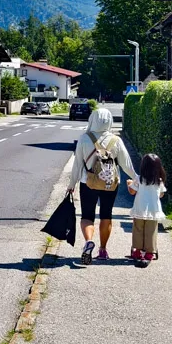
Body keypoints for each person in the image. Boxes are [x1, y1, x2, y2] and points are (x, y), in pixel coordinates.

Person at [66, 107, 137, 265]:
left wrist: (71, 184)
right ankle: (103, 250)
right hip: (110, 184)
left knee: (87, 216)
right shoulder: (116, 140)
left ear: (92, 120)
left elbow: (77, 165)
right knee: (106, 215)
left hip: (88, 183)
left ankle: (88, 242)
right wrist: (137, 178)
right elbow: (126, 164)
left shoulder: (84, 139)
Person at [127, 153, 167, 268]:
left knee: (138, 229)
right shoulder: (159, 181)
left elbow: (132, 192)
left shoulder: (139, 179)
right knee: (151, 231)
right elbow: (161, 195)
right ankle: (149, 253)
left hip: (140, 209)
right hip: (153, 210)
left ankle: (137, 251)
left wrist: (129, 184)